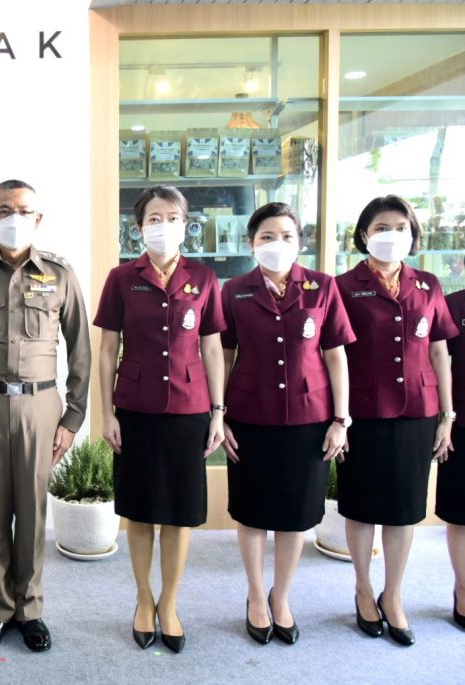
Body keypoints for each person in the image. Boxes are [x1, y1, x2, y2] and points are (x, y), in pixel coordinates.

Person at [0, 179, 91, 654]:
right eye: (4, 210)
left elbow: (80, 349)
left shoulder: (60, 275)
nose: (14, 218)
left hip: (39, 407)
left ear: (38, 219)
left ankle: (30, 609)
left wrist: (73, 418)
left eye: (24, 210)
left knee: (31, 512)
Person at [94, 185, 225, 654]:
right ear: (138, 228)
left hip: (189, 410)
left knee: (179, 514)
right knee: (140, 510)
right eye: (154, 218)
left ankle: (169, 603)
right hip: (135, 408)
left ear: (185, 225)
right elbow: (107, 348)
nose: (162, 226)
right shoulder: (121, 278)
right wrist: (105, 412)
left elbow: (212, 348)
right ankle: (143, 599)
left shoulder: (204, 278)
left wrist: (218, 412)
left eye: (172, 218)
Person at [220, 202, 355, 645]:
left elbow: (335, 355)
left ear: (300, 243)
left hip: (309, 418)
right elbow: (222, 355)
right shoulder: (233, 291)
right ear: (251, 243)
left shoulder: (323, 287)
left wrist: (341, 420)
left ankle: (281, 596)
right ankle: (256, 596)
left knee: (296, 516)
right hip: (249, 416)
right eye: (266, 236)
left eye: (286, 237)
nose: (276, 244)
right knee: (252, 511)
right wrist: (219, 414)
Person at [335, 195, 457, 647]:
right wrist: (338, 418)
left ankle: (394, 594)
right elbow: (333, 356)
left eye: (401, 227)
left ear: (413, 233)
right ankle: (363, 589)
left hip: (417, 411)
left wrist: (447, 415)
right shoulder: (343, 286)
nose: (392, 235)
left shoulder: (428, 284)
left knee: (404, 509)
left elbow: (440, 352)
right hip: (363, 412)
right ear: (364, 234)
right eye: (381, 227)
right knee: (361, 503)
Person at [436, 288, 465, 631]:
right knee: (460, 514)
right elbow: (439, 359)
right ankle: (462, 589)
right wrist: (446, 417)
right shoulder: (455, 304)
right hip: (461, 425)